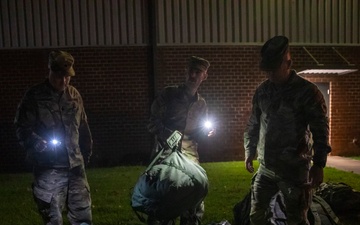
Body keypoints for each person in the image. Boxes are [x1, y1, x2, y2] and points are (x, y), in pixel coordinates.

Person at [243, 36, 332, 225]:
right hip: (266, 169)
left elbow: (320, 130)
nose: (270, 74)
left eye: (275, 68)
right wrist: (249, 150)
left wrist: (319, 164)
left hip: (295, 171)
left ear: (288, 62)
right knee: (256, 216)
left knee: (297, 219)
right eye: (268, 69)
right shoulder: (262, 91)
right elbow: (254, 123)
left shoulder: (308, 92)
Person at [14, 50, 93, 225]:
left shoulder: (74, 96)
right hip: (48, 168)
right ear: (50, 71)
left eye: (67, 77)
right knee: (53, 218)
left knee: (83, 218)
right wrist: (36, 142)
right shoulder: (34, 97)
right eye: (59, 76)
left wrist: (85, 155)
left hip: (75, 168)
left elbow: (83, 127)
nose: (64, 81)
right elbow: (21, 127)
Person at [147, 56, 215, 225]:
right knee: (163, 202)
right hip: (165, 156)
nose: (192, 75)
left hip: (190, 158)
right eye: (190, 70)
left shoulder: (201, 104)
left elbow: (199, 132)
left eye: (197, 72)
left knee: (193, 200)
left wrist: (206, 132)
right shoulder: (169, 95)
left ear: (204, 76)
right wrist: (168, 134)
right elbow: (152, 123)